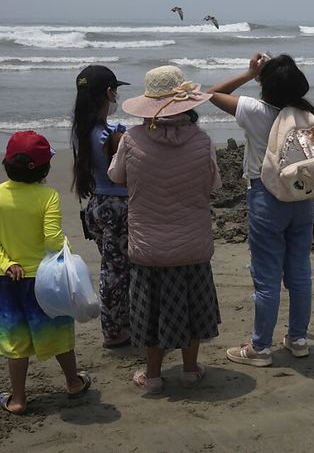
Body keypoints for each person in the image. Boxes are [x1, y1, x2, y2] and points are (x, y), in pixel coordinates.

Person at [108, 65, 222, 394]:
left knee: (150, 310)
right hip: (192, 243)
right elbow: (213, 184)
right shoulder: (202, 141)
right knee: (193, 308)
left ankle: (153, 375)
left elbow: (116, 176)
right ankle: (189, 369)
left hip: (148, 246)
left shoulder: (131, 139)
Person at [207, 53, 314, 367]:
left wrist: (249, 72)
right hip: (301, 198)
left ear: (265, 85)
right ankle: (298, 339)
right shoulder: (306, 113)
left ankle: (260, 348)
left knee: (267, 277)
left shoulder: (255, 110)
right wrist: (268, 72)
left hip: (267, 198)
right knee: (299, 274)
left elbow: (211, 93)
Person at [1, 131, 91, 414]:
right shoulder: (48, 196)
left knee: (16, 342)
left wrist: (5, 264)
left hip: (9, 279)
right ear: (44, 167)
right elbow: (52, 238)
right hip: (44, 280)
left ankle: (17, 399)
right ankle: (73, 382)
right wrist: (66, 249)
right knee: (57, 331)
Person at [70, 65, 132, 349]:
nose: (116, 95)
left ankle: (118, 324)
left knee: (112, 268)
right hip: (117, 205)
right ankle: (114, 331)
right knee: (116, 272)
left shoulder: (85, 131)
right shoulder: (109, 135)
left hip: (97, 203)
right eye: (115, 90)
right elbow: (122, 171)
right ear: (108, 93)